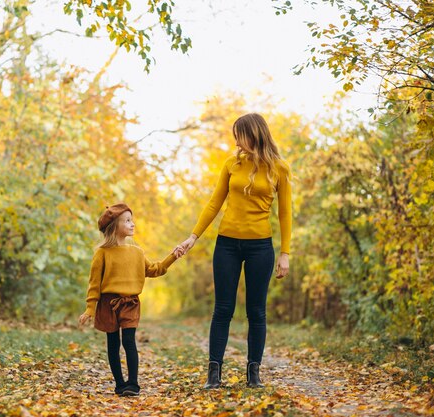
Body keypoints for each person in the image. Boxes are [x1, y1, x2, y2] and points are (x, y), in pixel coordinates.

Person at [175, 113, 292, 389]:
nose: (235, 140)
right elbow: (214, 204)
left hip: (260, 247)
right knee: (223, 309)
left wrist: (285, 253)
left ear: (254, 134)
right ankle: (213, 375)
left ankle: (254, 374)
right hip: (226, 243)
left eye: (239, 134)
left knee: (256, 312)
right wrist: (193, 237)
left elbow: (285, 214)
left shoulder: (280, 168)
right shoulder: (231, 164)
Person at [78, 203, 178, 396]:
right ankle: (119, 384)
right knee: (113, 344)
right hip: (108, 304)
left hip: (130, 303)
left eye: (132, 220)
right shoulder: (102, 253)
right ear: (114, 226)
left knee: (129, 341)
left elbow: (155, 270)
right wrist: (90, 309)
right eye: (127, 220)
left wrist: (173, 256)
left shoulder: (137, 252)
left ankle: (133, 384)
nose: (133, 224)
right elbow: (94, 284)